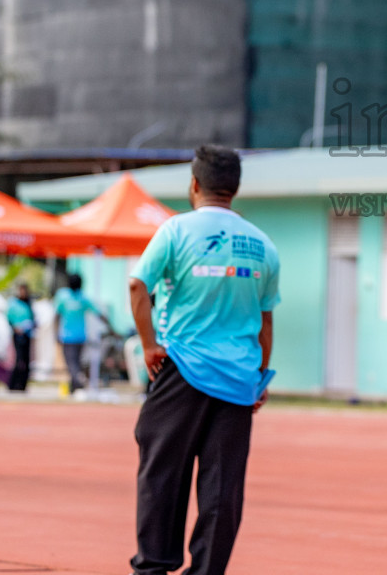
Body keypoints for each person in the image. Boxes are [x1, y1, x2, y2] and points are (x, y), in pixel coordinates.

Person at [128, 145, 280, 575]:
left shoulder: (176, 231)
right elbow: (265, 322)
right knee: (222, 488)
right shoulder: (263, 245)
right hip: (237, 380)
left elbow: (138, 287)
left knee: (161, 468)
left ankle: (154, 567)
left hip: (182, 368)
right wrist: (258, 377)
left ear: (194, 185)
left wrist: (149, 344)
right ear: (234, 190)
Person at [53, 272, 112, 394]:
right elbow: (99, 314)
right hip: (80, 336)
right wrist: (111, 327)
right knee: (75, 362)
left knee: (71, 363)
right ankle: (74, 387)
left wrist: (56, 333)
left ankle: (79, 381)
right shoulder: (83, 298)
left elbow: (56, 316)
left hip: (68, 336)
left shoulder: (63, 296)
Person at [6, 282, 35, 392]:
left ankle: (23, 385)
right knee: (19, 360)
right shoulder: (13, 304)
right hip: (18, 335)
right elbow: (9, 318)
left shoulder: (29, 303)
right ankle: (13, 384)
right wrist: (16, 328)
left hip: (27, 334)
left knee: (27, 361)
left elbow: (33, 318)